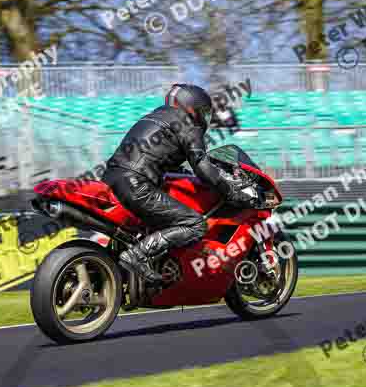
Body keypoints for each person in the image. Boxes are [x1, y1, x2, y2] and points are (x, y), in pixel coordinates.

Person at [102, 83, 256, 284]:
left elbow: (158, 159)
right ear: (193, 107)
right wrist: (231, 191)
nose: (204, 117)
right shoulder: (187, 124)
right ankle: (138, 255)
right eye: (204, 112)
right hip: (137, 183)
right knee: (195, 224)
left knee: (140, 230)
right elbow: (202, 165)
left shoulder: (153, 117)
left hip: (111, 179)